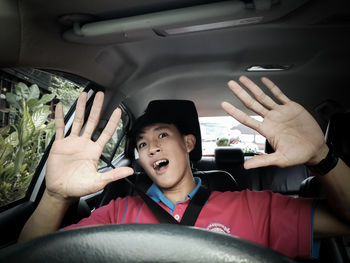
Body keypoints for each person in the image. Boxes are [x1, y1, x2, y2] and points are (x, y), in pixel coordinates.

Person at [19, 76, 350, 259]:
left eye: (163, 135)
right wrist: (53, 195)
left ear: (189, 144)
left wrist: (323, 156)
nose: (153, 147)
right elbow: (31, 256)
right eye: (143, 143)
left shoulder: (253, 206)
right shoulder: (117, 212)